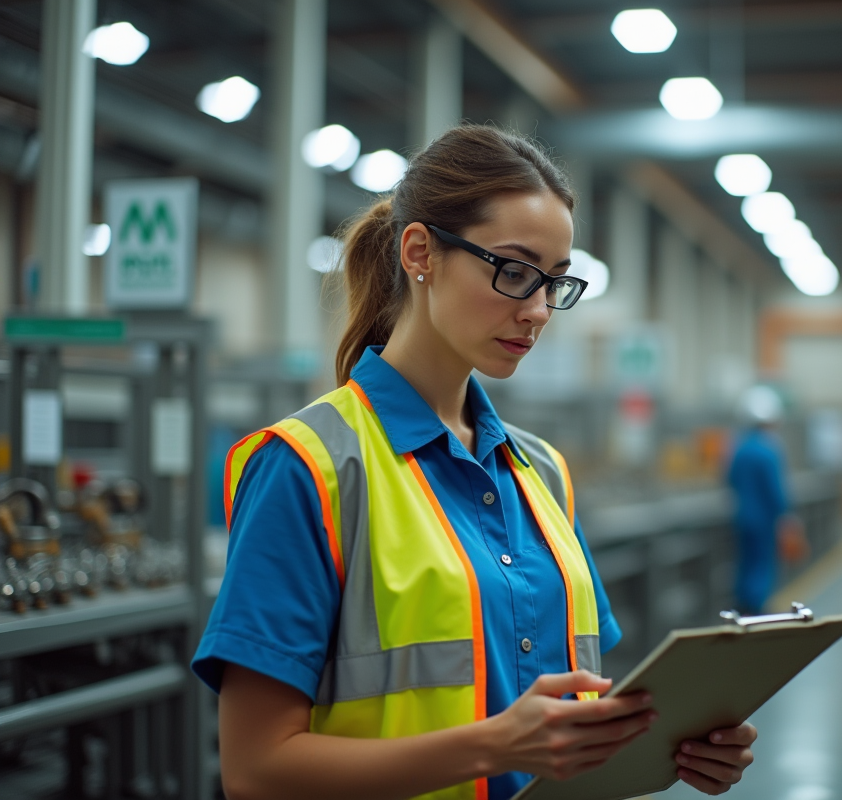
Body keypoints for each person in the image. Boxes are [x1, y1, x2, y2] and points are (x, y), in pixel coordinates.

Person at [192, 125, 755, 800]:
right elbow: (256, 771)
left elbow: (562, 729)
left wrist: (674, 746)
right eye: (515, 272)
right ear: (421, 251)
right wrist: (491, 746)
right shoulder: (309, 469)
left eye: (556, 283)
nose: (540, 310)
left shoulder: (540, 471)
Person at [727, 386, 805, 615]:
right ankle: (756, 605)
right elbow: (776, 490)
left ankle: (743, 601)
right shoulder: (770, 449)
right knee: (763, 561)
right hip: (765, 518)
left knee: (745, 561)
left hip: (743, 516)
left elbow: (730, 479)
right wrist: (787, 515)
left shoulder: (740, 448)